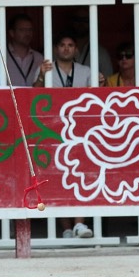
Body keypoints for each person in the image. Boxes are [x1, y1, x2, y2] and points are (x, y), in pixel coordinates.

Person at [36, 32, 94, 239]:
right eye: (62, 44)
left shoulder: (87, 71)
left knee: (81, 174)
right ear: (55, 49)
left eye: (70, 44)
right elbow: (34, 96)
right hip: (52, 129)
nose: (66, 48)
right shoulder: (46, 69)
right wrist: (41, 77)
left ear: (76, 49)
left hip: (81, 130)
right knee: (57, 176)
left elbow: (95, 97)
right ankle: (66, 227)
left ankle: (79, 223)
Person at [68, 7, 112, 76]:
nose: (81, 23)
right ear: (72, 22)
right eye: (78, 19)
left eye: (85, 20)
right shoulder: (58, 50)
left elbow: (108, 78)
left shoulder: (101, 53)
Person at [5, 13, 43, 87]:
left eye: (30, 30)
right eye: (22, 30)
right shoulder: (1, 56)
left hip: (33, 95)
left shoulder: (39, 58)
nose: (27, 34)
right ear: (12, 33)